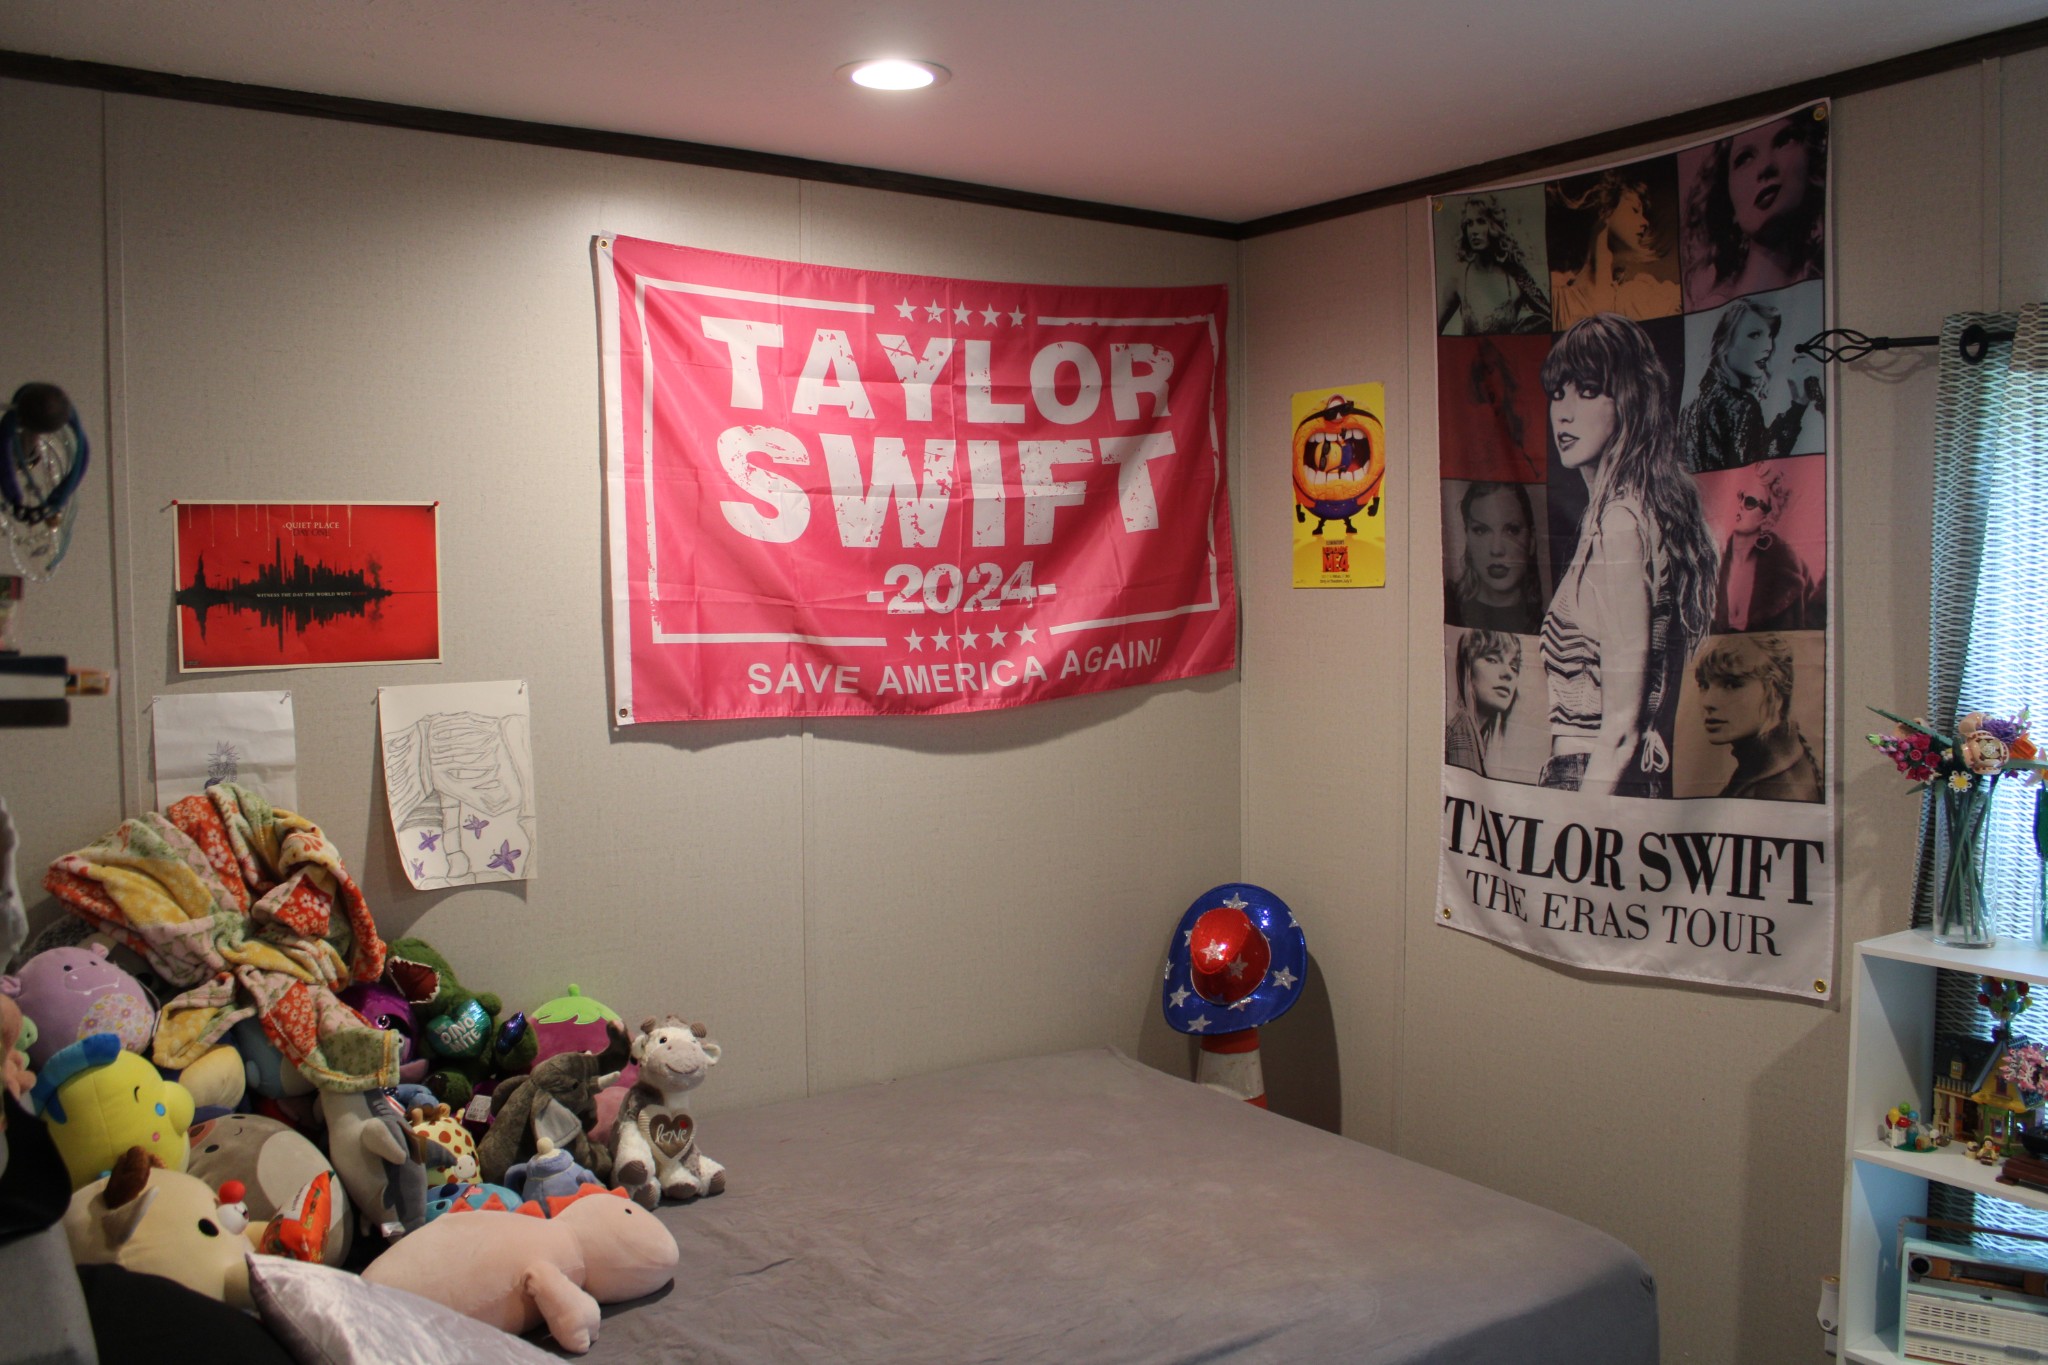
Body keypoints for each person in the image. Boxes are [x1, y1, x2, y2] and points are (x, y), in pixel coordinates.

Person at [1538, 314, 1718, 798]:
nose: (1565, 412)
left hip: (1593, 777)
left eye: (1590, 390)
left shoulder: (1621, 524)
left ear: (1631, 401)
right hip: (1610, 777)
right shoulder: (1630, 514)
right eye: (1558, 393)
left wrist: (1576, 831)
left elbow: (1621, 728)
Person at [1684, 110, 1828, 309]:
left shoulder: (1820, 290)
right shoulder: (1714, 309)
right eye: (1744, 158)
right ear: (1727, 202)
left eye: (1784, 140)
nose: (1765, 166)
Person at [1679, 298, 1822, 473]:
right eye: (1754, 335)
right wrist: (1797, 408)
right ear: (1726, 341)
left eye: (1770, 336)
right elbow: (1760, 472)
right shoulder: (1740, 406)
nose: (1768, 347)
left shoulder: (1691, 406)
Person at [1693, 634, 1822, 800]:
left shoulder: (1774, 789)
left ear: (1776, 694)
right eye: (1704, 685)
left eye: (1731, 684)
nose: (1708, 702)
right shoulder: (1781, 763)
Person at [1548, 171, 1681, 328]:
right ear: (1605, 206)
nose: (1645, 222)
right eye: (1634, 209)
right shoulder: (1556, 297)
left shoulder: (1639, 298)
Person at [1711, 463, 1822, 633]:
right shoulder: (1711, 562)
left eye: (1750, 502)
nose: (1740, 505)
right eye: (1740, 496)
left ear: (1767, 515)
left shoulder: (1788, 569)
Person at [1438, 195, 1552, 335]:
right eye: (1469, 223)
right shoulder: (1459, 277)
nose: (1474, 231)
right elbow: (1433, 332)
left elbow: (1549, 319)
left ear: (1494, 225)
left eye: (1481, 221)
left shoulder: (1516, 275)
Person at [1446, 481, 1543, 634]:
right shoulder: (1447, 609)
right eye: (1481, 531)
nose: (1496, 549)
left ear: (1531, 541)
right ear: (1467, 539)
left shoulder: (1553, 625)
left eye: (1512, 530)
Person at [1446, 630, 1522, 778]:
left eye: (1514, 667)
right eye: (1492, 659)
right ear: (1467, 667)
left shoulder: (1474, 735)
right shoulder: (1459, 731)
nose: (1508, 673)